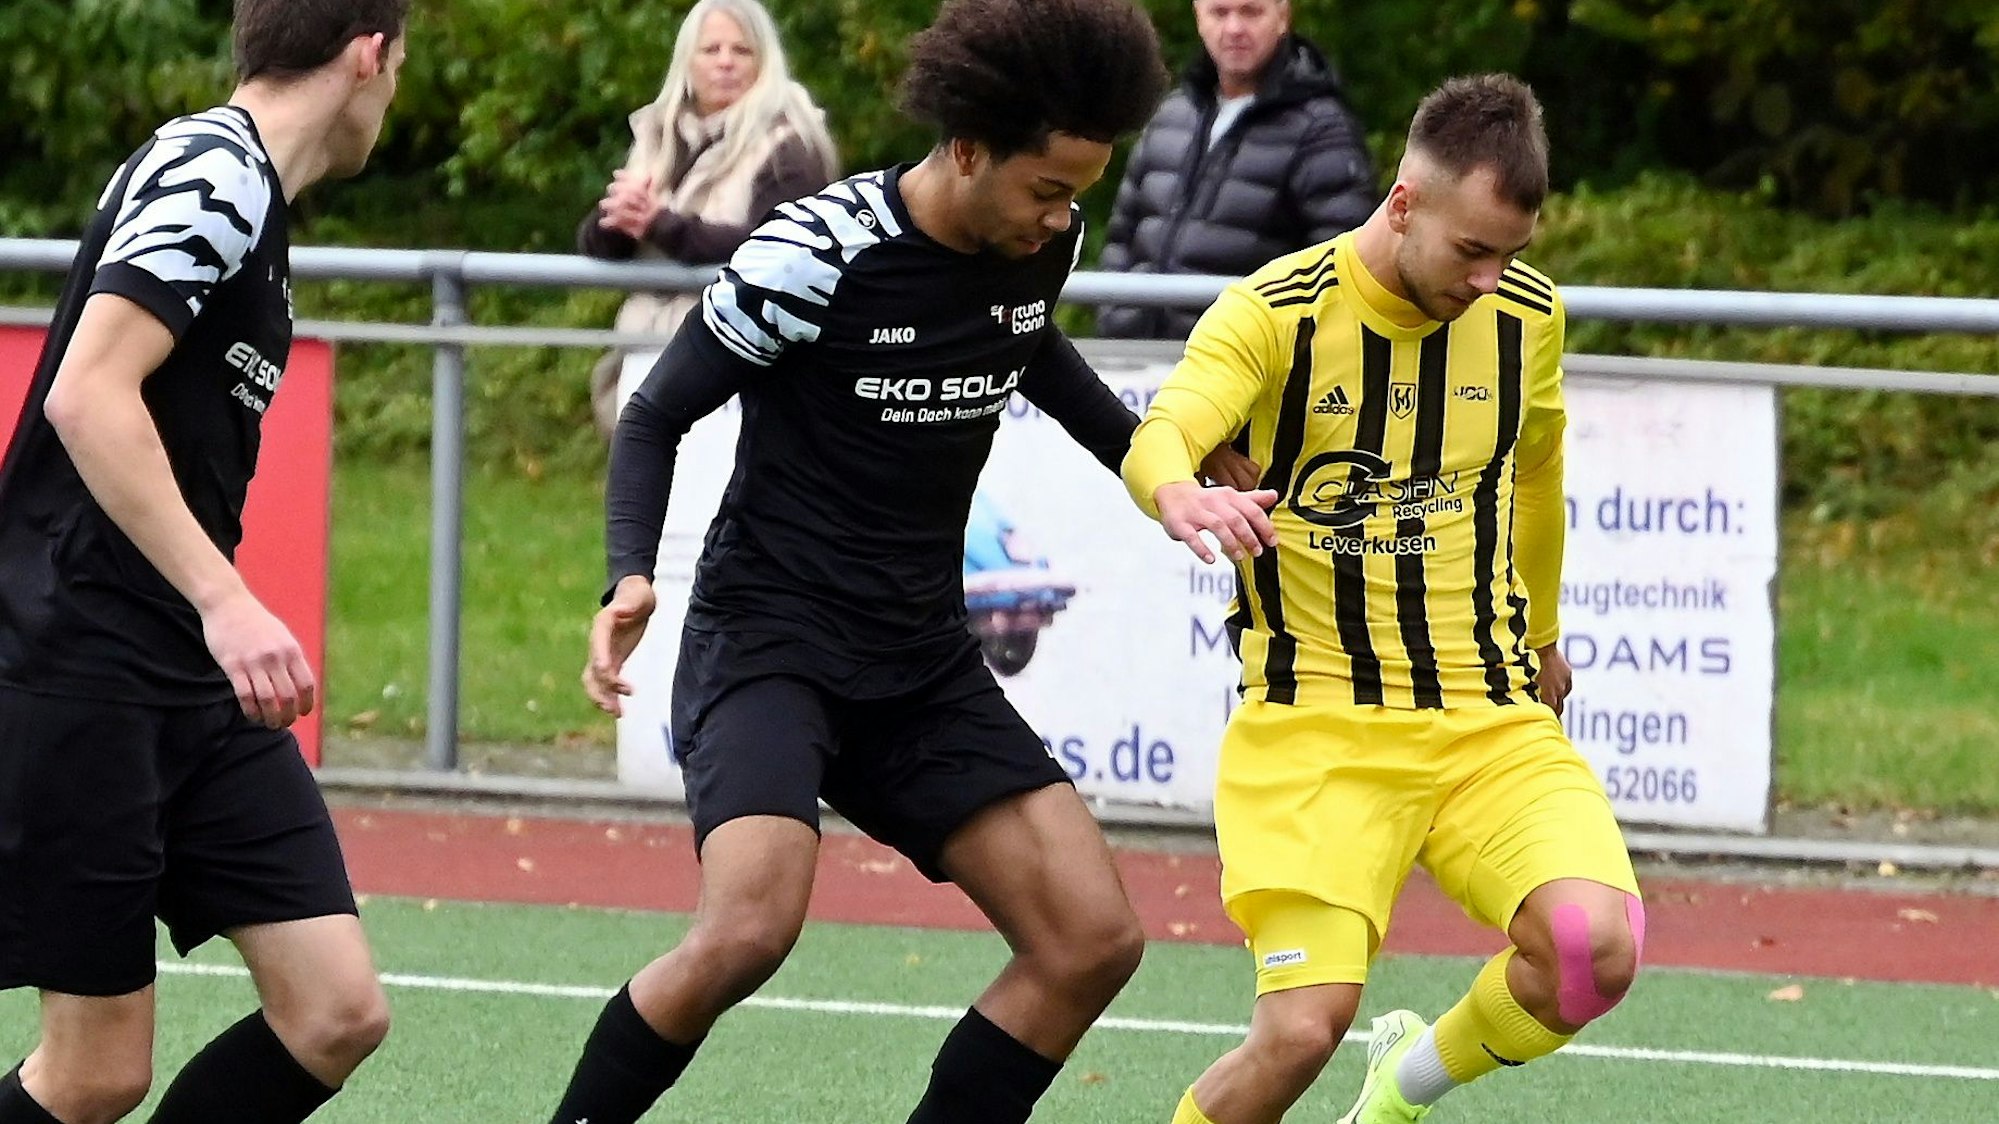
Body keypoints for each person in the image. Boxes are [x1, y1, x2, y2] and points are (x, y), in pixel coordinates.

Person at [545, 2, 1185, 1122]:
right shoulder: (813, 253)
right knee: (748, 927)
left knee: (1092, 940)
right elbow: (654, 413)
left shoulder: (1042, 235)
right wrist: (629, 572)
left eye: (1078, 191)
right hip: (772, 637)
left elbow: (1026, 345)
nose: (1062, 216)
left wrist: (1162, 467)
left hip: (919, 657)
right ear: (971, 150)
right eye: (1046, 187)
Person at [1121, 74, 1644, 1124]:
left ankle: (1401, 1091)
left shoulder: (1524, 318)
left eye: (1510, 254)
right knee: (1298, 1033)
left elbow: (1536, 468)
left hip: (1485, 717)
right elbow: (1165, 429)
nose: (1491, 280)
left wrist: (1541, 630)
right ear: (1403, 204)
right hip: (1315, 726)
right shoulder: (1273, 313)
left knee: (1592, 954)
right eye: (1470, 251)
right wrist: (1174, 488)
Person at [0, 3, 409, 1122]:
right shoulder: (213, 170)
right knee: (95, 1074)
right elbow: (88, 393)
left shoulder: (255, 199)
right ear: (370, 52)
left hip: (191, 679)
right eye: (400, 63)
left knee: (335, 1008)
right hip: (82, 662)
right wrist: (228, 600)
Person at [577, 0, 838, 436]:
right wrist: (618, 222)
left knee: (712, 502)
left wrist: (663, 225)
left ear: (764, 61)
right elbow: (600, 242)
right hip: (647, 349)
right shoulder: (660, 135)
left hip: (737, 363)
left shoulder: (792, 147)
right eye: (712, 50)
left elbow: (781, 249)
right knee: (645, 503)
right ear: (688, 62)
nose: (726, 63)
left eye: (741, 50)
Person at [1096, 0, 1375, 340]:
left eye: (1251, 12)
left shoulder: (1321, 130)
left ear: (1282, 17)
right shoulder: (1171, 115)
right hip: (1136, 365)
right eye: (1220, 12)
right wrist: (1115, 315)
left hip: (1242, 365)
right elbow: (1122, 235)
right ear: (1199, 16)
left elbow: (1339, 266)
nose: (1234, 29)